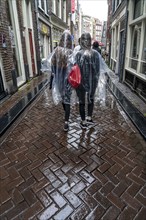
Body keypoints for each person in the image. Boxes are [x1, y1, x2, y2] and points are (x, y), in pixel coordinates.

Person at [75, 32, 104, 128]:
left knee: (86, 101)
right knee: (86, 100)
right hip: (86, 82)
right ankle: (86, 119)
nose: (86, 41)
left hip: (86, 82)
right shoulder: (91, 54)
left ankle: (86, 120)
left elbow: (75, 69)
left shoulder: (81, 54)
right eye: (84, 39)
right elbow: (97, 70)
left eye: (87, 39)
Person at [50, 30, 73, 131]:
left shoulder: (56, 51)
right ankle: (66, 122)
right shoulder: (71, 52)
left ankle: (65, 113)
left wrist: (53, 79)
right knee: (67, 100)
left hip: (59, 81)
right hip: (68, 81)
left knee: (63, 99)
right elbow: (74, 67)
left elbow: (52, 66)